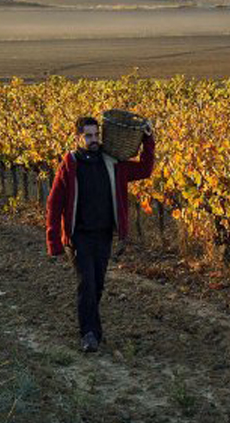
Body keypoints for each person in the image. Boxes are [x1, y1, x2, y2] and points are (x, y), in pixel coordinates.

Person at [46, 115, 155, 353]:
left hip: (103, 235)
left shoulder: (113, 164)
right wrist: (54, 240)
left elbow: (146, 169)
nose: (94, 140)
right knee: (87, 283)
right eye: (88, 136)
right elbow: (54, 204)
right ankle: (89, 334)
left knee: (98, 285)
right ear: (78, 138)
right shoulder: (70, 164)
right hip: (79, 237)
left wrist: (148, 140)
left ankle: (92, 329)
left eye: (96, 135)